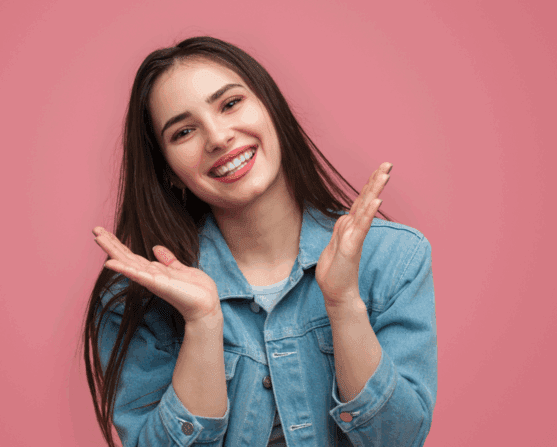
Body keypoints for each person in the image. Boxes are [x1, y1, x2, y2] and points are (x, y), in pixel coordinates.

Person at [84, 36, 437, 447]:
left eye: (230, 104)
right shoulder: (138, 299)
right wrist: (202, 325)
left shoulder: (393, 258)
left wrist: (342, 304)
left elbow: (399, 439)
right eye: (183, 131)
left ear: (271, 108)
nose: (217, 137)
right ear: (168, 171)